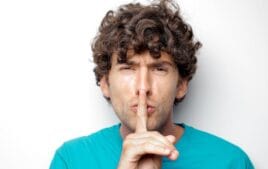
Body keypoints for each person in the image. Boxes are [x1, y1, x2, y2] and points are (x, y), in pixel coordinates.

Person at [50, 0, 254, 168]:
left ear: (181, 85)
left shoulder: (230, 162)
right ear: (105, 83)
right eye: (128, 68)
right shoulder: (71, 160)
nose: (143, 87)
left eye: (159, 69)